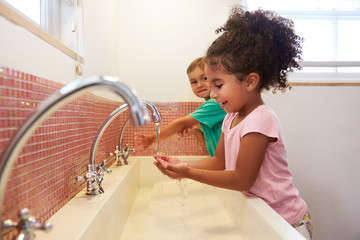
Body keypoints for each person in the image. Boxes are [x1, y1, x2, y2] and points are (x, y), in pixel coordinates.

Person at [153, 6, 313, 240]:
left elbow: (241, 179)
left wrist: (188, 173)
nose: (213, 92)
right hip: (262, 218)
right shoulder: (230, 117)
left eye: (218, 85)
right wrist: (182, 164)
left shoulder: (260, 119)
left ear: (249, 81)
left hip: (286, 222)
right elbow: (219, 161)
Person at [134, 57, 226, 157]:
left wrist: (151, 139)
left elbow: (181, 123)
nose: (199, 85)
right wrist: (197, 132)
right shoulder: (211, 106)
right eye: (194, 82)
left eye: (204, 78)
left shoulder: (215, 103)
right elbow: (209, 146)